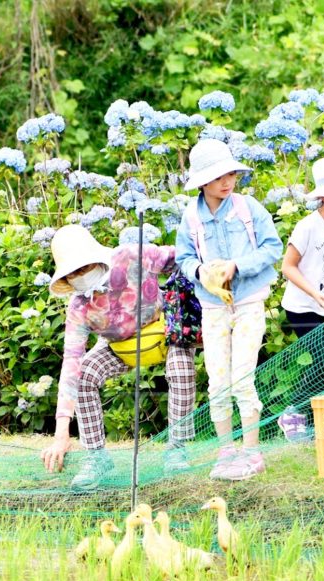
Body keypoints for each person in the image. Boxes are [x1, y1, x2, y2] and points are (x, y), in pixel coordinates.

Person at [38, 225, 197, 491]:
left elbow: (181, 258)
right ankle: (96, 456)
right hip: (121, 346)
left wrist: (188, 297)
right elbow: (71, 362)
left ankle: (177, 448)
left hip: (163, 332)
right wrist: (61, 432)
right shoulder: (80, 307)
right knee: (85, 373)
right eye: (73, 273)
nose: (80, 275)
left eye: (84, 267)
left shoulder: (133, 257)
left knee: (180, 369)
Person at [175, 139, 283, 481]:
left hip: (249, 302)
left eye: (231, 173)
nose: (227, 181)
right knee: (218, 380)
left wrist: (238, 266)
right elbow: (184, 258)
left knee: (242, 378)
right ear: (203, 182)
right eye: (219, 176)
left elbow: (272, 247)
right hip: (213, 306)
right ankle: (226, 452)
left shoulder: (248, 208)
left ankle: (252, 452)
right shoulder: (191, 217)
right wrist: (200, 272)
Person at [278, 154, 324, 437]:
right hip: (304, 306)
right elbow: (288, 267)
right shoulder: (308, 226)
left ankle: (314, 419)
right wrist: (315, 295)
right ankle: (293, 413)